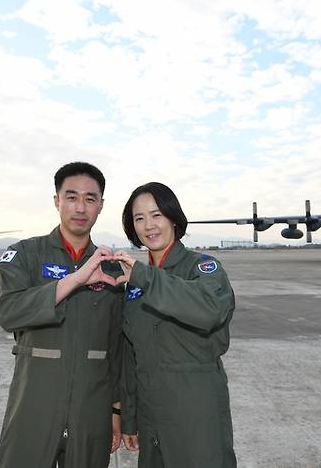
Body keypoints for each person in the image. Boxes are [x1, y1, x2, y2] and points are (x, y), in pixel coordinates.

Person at [0, 162, 124, 468]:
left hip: (91, 409)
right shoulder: (25, 255)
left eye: (90, 199)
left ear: (101, 206)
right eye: (71, 197)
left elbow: (118, 347)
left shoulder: (113, 270)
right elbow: (8, 312)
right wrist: (75, 280)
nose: (80, 207)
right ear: (57, 201)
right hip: (34, 406)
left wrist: (117, 412)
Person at [113, 182, 237, 468]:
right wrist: (130, 417)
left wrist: (145, 278)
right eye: (139, 218)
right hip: (151, 414)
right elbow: (132, 355)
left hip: (195, 408)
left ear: (172, 217)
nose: (149, 226)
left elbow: (210, 309)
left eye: (156, 215)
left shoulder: (202, 268)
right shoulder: (135, 281)